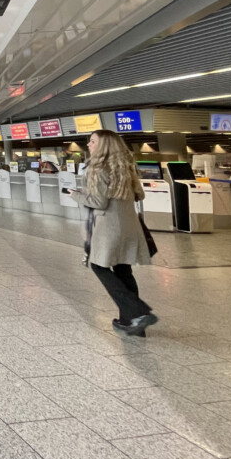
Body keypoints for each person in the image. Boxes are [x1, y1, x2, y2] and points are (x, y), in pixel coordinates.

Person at [70, 129, 156, 337]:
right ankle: (131, 323)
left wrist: (76, 196)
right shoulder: (126, 168)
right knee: (123, 271)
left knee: (99, 266)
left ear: (104, 146)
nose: (88, 145)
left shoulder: (97, 169)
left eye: (92, 141)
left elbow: (98, 202)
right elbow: (139, 195)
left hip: (109, 227)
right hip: (129, 225)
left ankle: (138, 311)